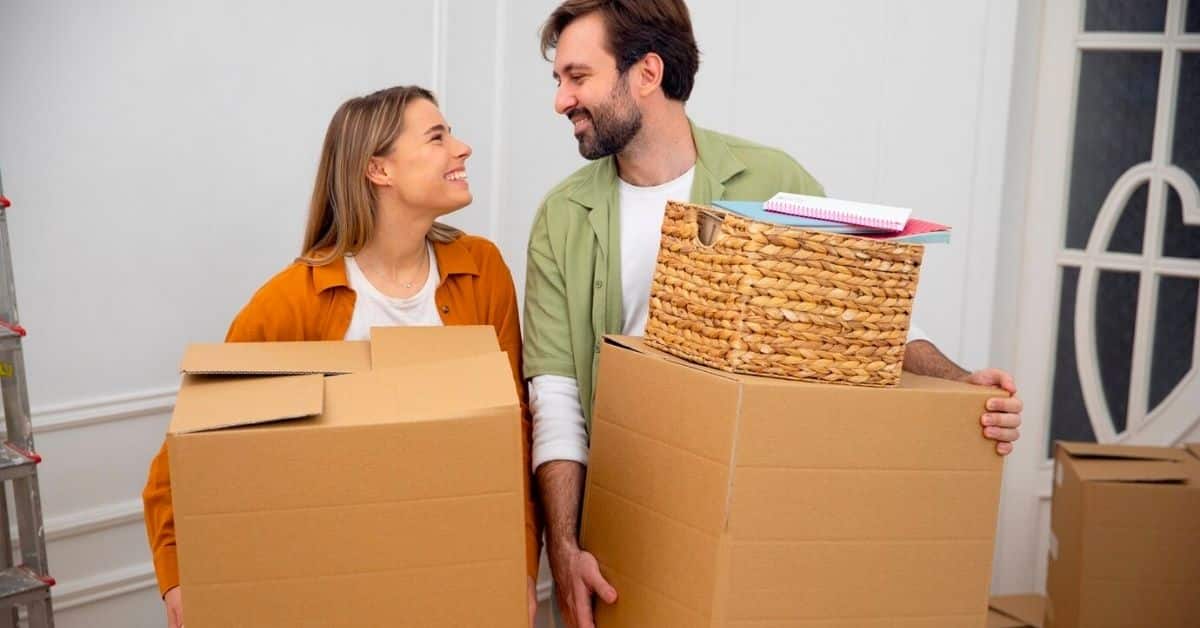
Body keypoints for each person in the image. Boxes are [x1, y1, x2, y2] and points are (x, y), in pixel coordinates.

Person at [520, 2, 1024, 627]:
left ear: (646, 74)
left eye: (577, 76)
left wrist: (958, 384)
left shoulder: (772, 181)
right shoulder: (563, 218)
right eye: (559, 80)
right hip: (631, 526)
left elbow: (858, 321)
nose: (561, 99)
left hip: (763, 512)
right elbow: (557, 397)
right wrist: (564, 551)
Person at [142, 85, 541, 628]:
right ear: (379, 170)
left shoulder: (482, 271)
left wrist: (518, 569)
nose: (462, 147)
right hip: (338, 589)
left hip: (453, 578)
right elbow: (183, 455)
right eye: (437, 136)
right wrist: (179, 582)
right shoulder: (295, 300)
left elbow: (511, 435)